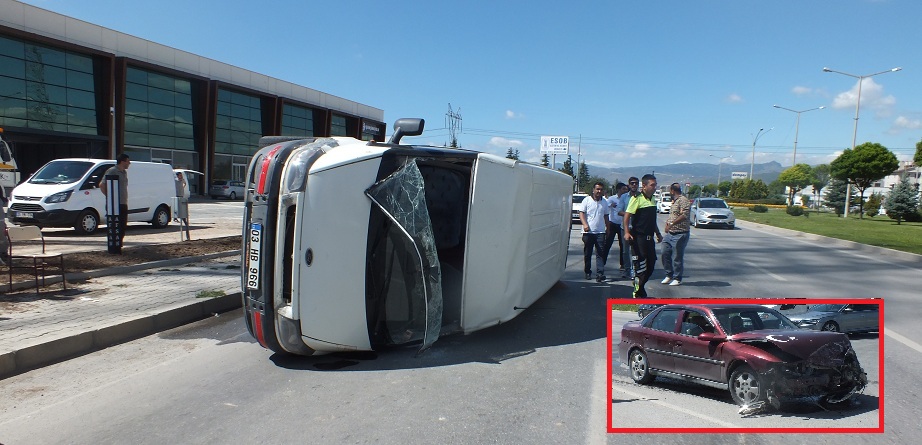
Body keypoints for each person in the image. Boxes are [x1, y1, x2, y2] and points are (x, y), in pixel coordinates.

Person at [623, 174, 662, 298]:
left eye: (655, 185)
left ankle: (640, 287)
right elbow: (627, 216)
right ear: (644, 186)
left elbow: (652, 220)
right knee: (640, 267)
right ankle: (637, 292)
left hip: (649, 239)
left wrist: (658, 233)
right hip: (638, 238)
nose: (655, 187)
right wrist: (626, 232)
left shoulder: (653, 199)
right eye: (652, 185)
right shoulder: (636, 198)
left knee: (651, 265)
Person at [579, 182, 611, 282]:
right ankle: (587, 272)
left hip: (600, 232)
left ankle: (600, 274)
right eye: (597, 189)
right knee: (588, 253)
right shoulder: (587, 200)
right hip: (588, 232)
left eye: (601, 189)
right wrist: (585, 225)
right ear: (593, 190)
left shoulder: (604, 202)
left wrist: (608, 228)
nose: (599, 191)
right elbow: (581, 213)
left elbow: (606, 216)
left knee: (600, 253)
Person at [661, 183, 691, 286]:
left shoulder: (683, 200)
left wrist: (672, 224)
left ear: (672, 190)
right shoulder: (675, 201)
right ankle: (669, 275)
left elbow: (684, 215)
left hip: (680, 233)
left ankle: (677, 278)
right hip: (670, 233)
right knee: (664, 253)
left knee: (677, 257)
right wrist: (667, 224)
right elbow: (672, 215)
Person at [99, 153, 130, 244]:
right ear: (122, 161)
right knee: (115, 226)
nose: (129, 163)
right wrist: (110, 197)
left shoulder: (124, 172)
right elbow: (101, 185)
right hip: (115, 204)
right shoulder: (112, 171)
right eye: (128, 161)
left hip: (123, 203)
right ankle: (114, 245)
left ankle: (119, 244)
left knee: (123, 226)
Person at [602, 182, 627, 274]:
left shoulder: (627, 199)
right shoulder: (612, 199)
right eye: (623, 189)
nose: (625, 191)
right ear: (619, 190)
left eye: (626, 189)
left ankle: (623, 264)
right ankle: (602, 263)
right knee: (607, 244)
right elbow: (605, 206)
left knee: (623, 246)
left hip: (622, 225)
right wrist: (611, 205)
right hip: (612, 224)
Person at [618, 177, 640, 279]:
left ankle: (636, 270)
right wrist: (629, 214)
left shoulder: (642, 197)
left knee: (636, 250)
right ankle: (627, 270)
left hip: (638, 229)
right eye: (632, 183)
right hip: (625, 228)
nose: (634, 185)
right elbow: (619, 211)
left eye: (636, 183)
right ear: (629, 185)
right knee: (625, 251)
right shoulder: (623, 197)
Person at [174, 171, 191, 240]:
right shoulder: (175, 180)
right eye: (179, 175)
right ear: (177, 176)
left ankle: (182, 218)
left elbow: (185, 183)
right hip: (177, 195)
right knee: (176, 206)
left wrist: (183, 187)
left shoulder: (182, 180)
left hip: (181, 195)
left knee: (181, 207)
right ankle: (176, 217)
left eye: (181, 175)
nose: (181, 176)